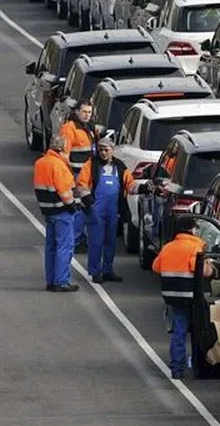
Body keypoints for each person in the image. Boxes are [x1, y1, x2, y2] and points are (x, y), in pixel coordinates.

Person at [78, 136, 151, 283]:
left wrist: (144, 188)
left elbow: (130, 185)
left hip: (113, 210)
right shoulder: (91, 165)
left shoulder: (120, 166)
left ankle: (108, 270)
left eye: (106, 150)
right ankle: (95, 272)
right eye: (100, 150)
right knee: (96, 242)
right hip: (95, 210)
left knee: (111, 242)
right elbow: (81, 184)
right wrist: (89, 202)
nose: (103, 153)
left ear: (113, 150)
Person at [152, 216, 211, 379]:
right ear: (190, 229)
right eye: (194, 228)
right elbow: (201, 270)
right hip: (191, 296)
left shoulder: (168, 247)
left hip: (172, 296)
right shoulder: (195, 248)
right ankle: (199, 364)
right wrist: (211, 267)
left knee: (179, 331)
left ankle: (177, 367)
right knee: (198, 329)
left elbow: (156, 266)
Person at [33, 133, 80, 292]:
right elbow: (65, 192)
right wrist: (73, 205)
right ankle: (61, 281)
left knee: (51, 246)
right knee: (65, 246)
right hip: (62, 211)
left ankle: (51, 280)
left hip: (48, 210)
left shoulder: (40, 163)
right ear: (62, 148)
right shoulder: (59, 165)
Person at [60, 101, 99, 249]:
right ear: (76, 111)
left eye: (89, 112)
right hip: (77, 174)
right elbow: (64, 154)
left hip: (88, 174)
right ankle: (75, 239)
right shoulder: (69, 128)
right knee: (79, 206)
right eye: (84, 112)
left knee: (86, 206)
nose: (87, 115)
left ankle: (79, 238)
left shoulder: (89, 127)